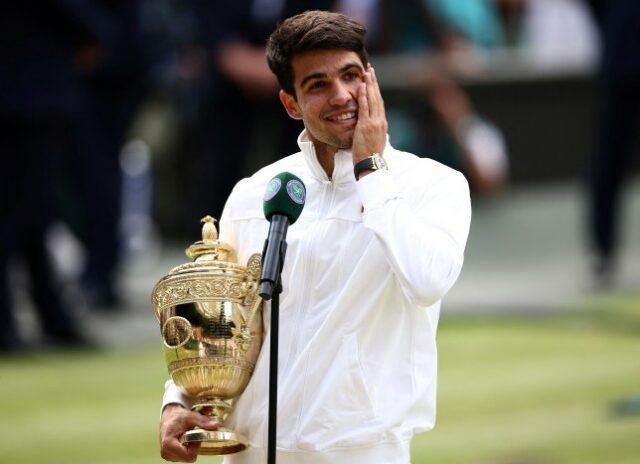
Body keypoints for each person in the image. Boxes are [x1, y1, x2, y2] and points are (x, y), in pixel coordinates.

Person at [159, 10, 471, 463]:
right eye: (318, 84)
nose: (342, 95)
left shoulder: (435, 185)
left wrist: (370, 170)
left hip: (362, 451)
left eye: (351, 76)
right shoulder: (252, 195)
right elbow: (219, 328)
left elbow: (426, 281)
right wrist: (177, 401)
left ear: (372, 80)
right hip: (251, 451)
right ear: (291, 104)